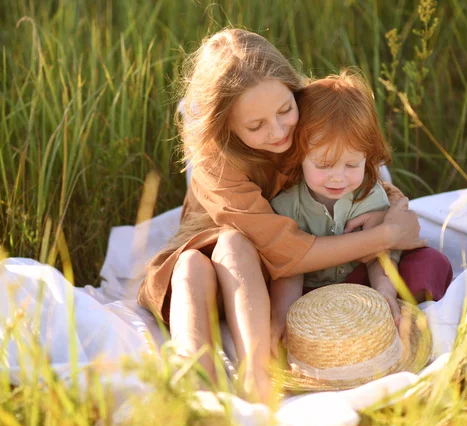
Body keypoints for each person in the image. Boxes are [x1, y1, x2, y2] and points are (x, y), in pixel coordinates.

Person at [137, 28, 426, 403]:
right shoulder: (216, 164)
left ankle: (256, 375)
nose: (277, 131)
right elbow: (288, 252)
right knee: (198, 261)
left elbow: (352, 162)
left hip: (269, 277)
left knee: (228, 249)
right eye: (255, 126)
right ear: (226, 127)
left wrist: (393, 203)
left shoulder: (304, 117)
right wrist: (387, 235)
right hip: (228, 262)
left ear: (294, 91)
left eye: (286, 110)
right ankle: (197, 379)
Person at [269, 72, 453, 356]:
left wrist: (383, 291)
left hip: (359, 282)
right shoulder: (287, 204)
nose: (338, 178)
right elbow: (289, 269)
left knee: (431, 264)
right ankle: (318, 329)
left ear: (367, 158)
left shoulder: (369, 193)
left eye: (351, 165)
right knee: (295, 312)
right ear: (299, 154)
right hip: (310, 294)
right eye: (324, 164)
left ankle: (385, 309)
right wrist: (282, 317)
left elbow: (381, 253)